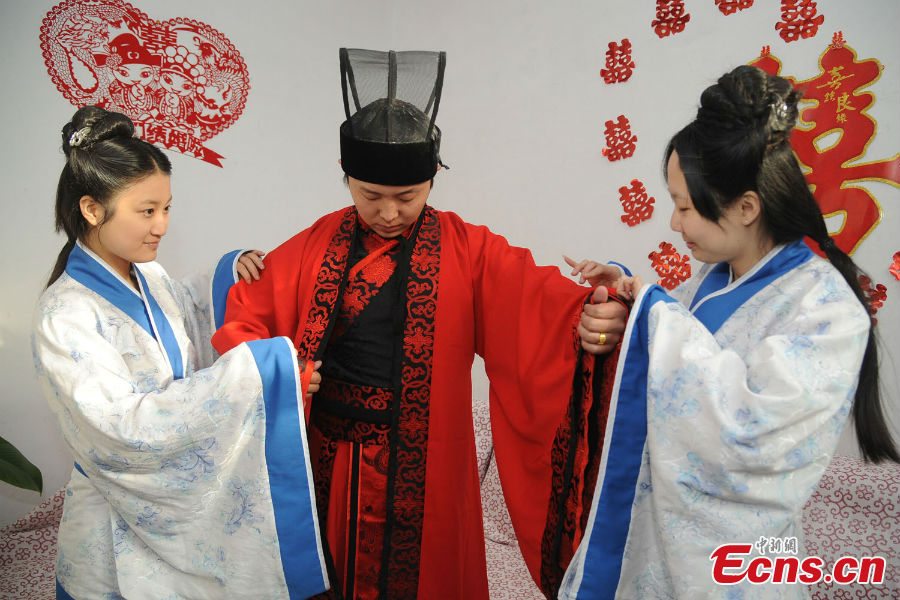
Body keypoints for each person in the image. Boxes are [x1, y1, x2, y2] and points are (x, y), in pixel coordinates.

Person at [211, 48, 629, 600]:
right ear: (346, 179)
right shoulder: (313, 245)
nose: (389, 212)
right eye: (371, 196)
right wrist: (271, 342)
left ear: (433, 178)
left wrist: (595, 309)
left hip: (425, 470)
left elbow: (541, 305)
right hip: (329, 469)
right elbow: (247, 313)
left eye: (407, 197)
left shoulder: (469, 250)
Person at [560, 65, 899, 599]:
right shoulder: (712, 281)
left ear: (746, 207)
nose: (674, 224)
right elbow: (680, 356)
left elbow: (750, 430)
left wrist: (650, 314)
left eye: (685, 207)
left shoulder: (828, 310)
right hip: (661, 548)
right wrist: (626, 313)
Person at [32, 105, 329, 599]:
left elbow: (183, 320)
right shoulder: (64, 316)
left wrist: (228, 277)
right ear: (91, 209)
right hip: (116, 513)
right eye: (146, 211)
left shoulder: (146, 274)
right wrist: (262, 377)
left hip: (168, 507)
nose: (162, 225)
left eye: (167, 208)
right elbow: (122, 431)